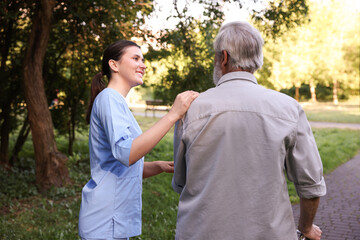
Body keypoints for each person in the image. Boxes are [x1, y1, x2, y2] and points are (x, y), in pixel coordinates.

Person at [172, 21, 326, 240]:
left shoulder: (190, 109)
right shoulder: (289, 108)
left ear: (223, 58)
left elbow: (181, 181)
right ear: (257, 59)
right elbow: (311, 185)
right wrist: (306, 228)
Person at [78, 40, 199, 240]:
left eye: (142, 59)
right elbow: (128, 153)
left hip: (112, 222)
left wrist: (158, 166)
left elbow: (119, 167)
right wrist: (173, 115)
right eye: (135, 58)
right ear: (114, 65)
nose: (143, 64)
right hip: (104, 221)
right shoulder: (109, 98)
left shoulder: (116, 102)